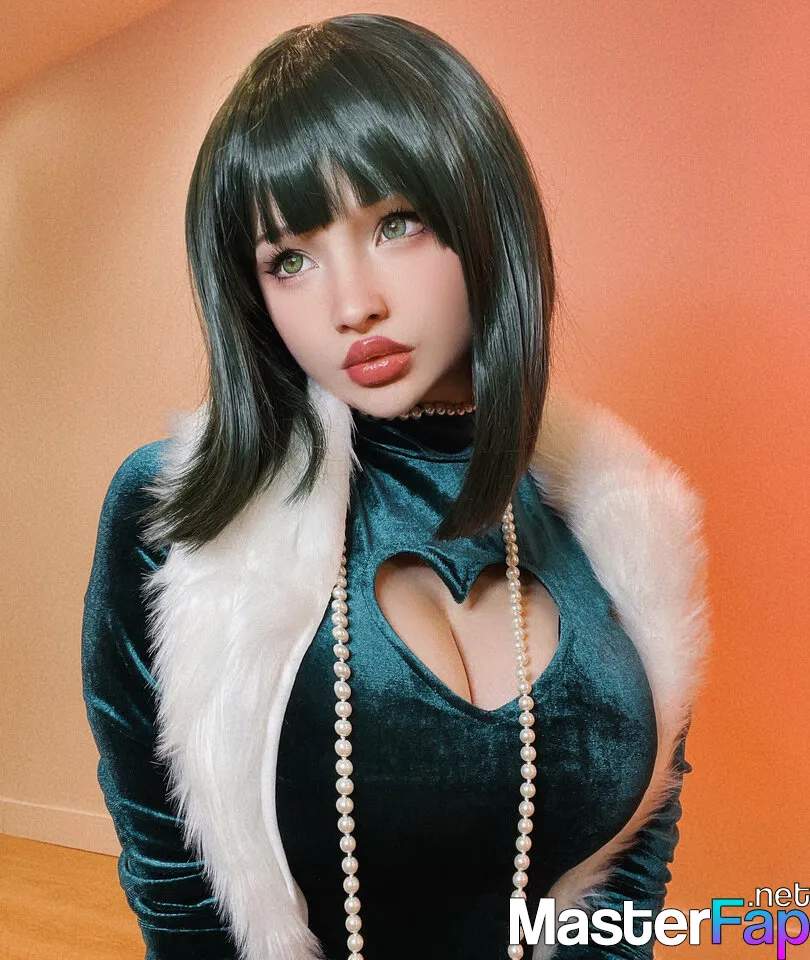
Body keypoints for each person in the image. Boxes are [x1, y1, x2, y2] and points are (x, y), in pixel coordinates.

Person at [81, 13, 710, 960]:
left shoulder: (624, 518)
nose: (352, 304)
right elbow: (179, 886)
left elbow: (632, 867)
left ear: (484, 215)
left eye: (396, 223)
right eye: (290, 259)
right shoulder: (183, 514)